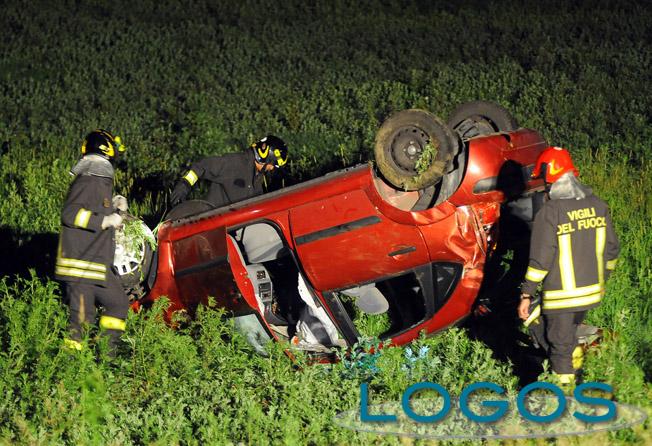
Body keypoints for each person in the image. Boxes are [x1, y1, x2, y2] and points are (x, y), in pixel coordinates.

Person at [518, 146, 619, 385]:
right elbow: (612, 249)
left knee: (557, 345)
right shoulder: (598, 206)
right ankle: (577, 372)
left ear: (549, 179)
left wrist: (526, 294)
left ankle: (564, 394)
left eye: (545, 182)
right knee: (566, 338)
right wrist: (601, 278)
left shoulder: (551, 212)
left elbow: (540, 261)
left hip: (562, 297)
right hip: (591, 293)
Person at [55, 129, 130, 355]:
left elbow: (97, 212)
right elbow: (70, 214)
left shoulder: (98, 182)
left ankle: (107, 357)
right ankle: (70, 366)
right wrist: (105, 220)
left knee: (118, 303)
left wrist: (117, 208)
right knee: (81, 322)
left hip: (96, 266)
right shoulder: (89, 180)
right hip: (80, 266)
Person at [169, 135, 289, 208]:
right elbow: (201, 166)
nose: (272, 168)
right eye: (272, 164)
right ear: (264, 157)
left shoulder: (257, 177)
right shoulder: (235, 163)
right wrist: (183, 186)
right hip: (214, 225)